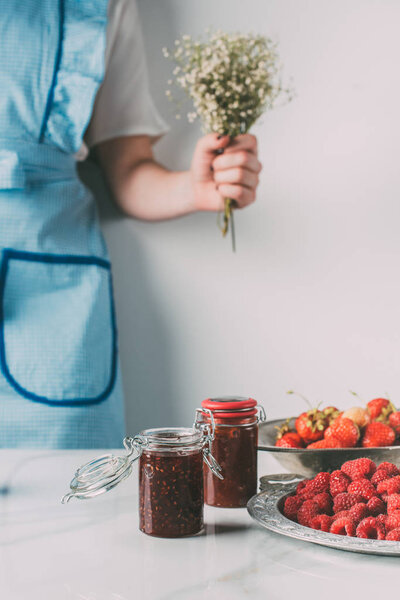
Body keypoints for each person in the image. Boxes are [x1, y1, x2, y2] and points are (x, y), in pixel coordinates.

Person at [0, 0, 262, 449]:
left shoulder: (102, 7)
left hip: (54, 308)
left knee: (68, 502)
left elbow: (128, 170)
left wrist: (197, 189)